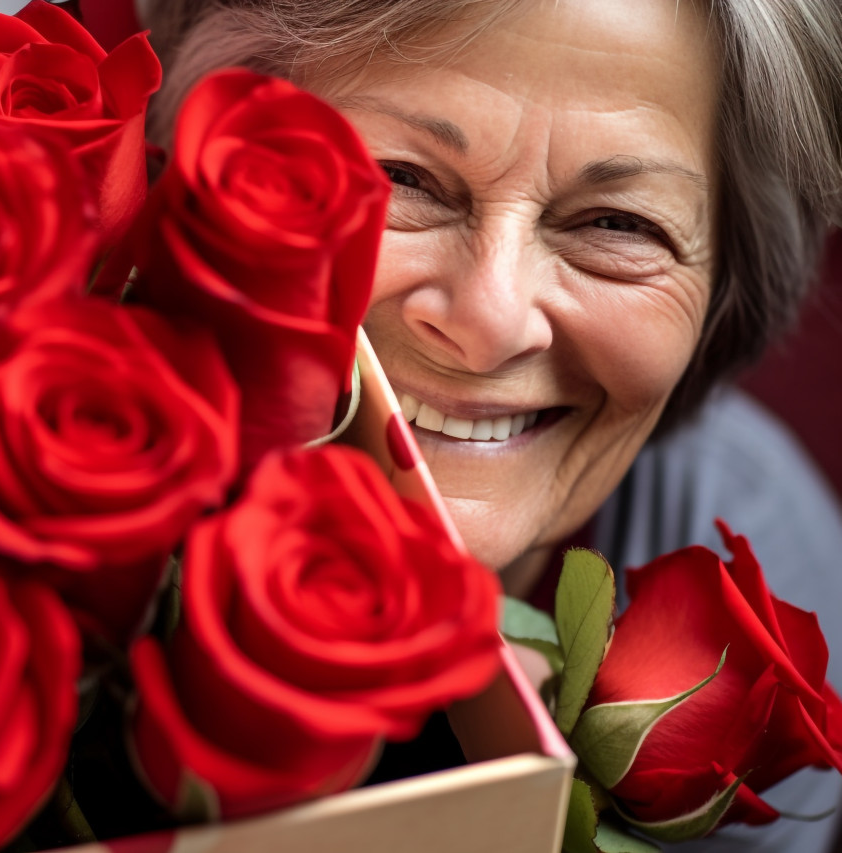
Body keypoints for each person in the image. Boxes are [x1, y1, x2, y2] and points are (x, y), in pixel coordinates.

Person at [139, 0, 842, 850]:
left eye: (617, 224)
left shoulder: (767, 547)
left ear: (725, 294)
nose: (491, 320)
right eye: (402, 177)